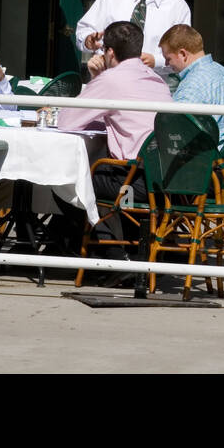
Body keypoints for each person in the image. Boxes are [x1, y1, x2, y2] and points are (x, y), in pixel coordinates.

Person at [55, 21, 172, 278]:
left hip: (133, 180)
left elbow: (66, 121)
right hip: (163, 178)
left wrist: (96, 79)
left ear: (108, 52)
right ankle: (116, 252)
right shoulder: (156, 80)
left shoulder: (111, 79)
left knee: (70, 179)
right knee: (100, 173)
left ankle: (113, 256)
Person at [159, 24, 224, 141]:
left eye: (168, 59)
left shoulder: (193, 83)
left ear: (183, 54)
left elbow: (175, 132)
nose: (166, 64)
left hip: (207, 155)